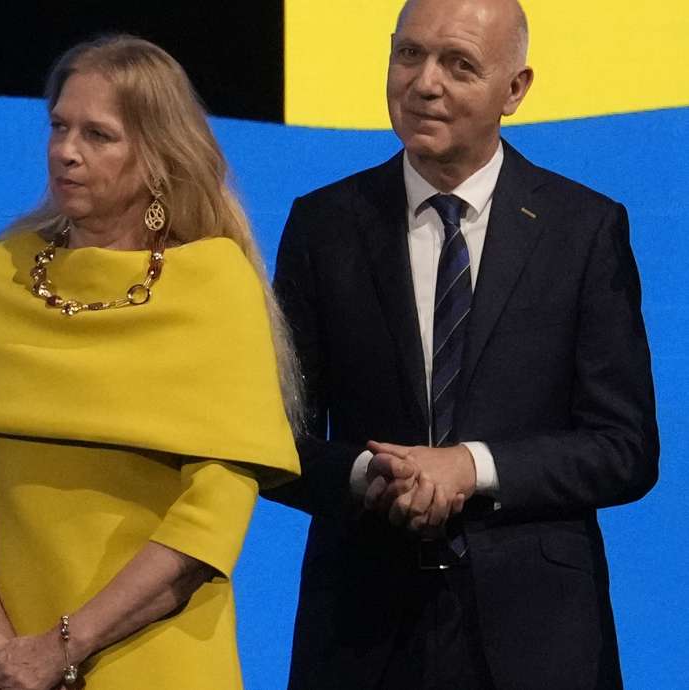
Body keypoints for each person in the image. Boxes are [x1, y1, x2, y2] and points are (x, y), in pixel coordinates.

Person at [266, 0, 659, 688]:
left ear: (516, 88)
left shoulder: (584, 229)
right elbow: (274, 439)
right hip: (361, 634)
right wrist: (368, 477)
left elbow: (623, 449)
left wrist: (470, 467)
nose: (423, 83)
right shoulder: (323, 225)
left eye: (459, 64)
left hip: (538, 640)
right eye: (408, 54)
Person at [0, 35, 302, 690]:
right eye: (59, 126)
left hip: (153, 660)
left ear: (156, 156)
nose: (66, 151)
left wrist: (66, 644)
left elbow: (214, 513)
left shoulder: (214, 285)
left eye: (99, 135)